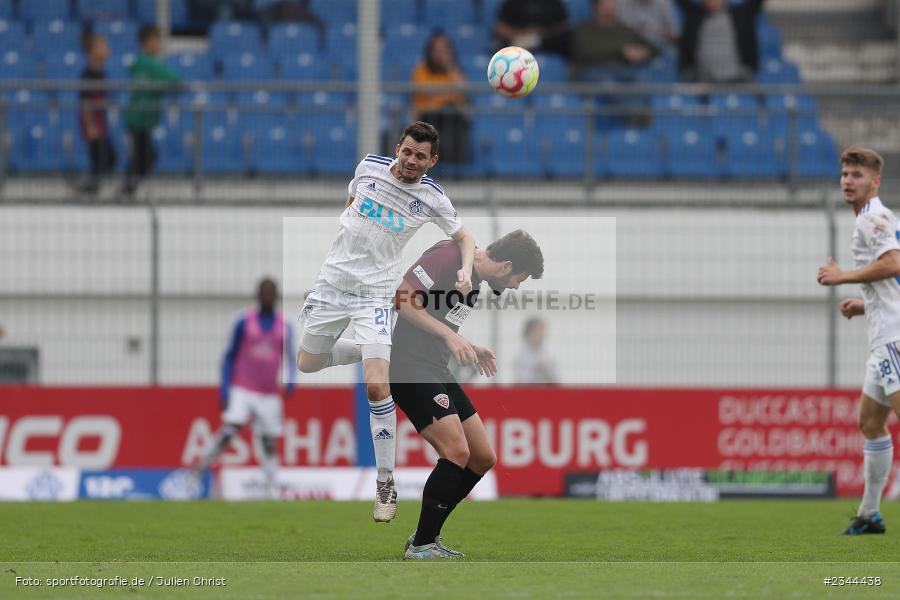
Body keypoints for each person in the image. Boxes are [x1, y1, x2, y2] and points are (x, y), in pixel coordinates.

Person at [296, 121, 476, 523]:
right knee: (306, 362)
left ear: (432, 162)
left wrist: (465, 271)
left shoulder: (432, 197)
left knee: (377, 384)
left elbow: (465, 238)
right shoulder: (368, 167)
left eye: (420, 157)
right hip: (332, 285)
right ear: (398, 148)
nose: (411, 162)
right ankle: (369, 348)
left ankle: (385, 482)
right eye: (407, 152)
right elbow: (350, 205)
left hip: (375, 295)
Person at [390, 230, 544, 559]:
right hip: (409, 370)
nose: (516, 287)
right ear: (506, 266)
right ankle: (422, 547)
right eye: (520, 279)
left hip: (435, 370)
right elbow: (401, 298)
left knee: (483, 457)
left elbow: (436, 322)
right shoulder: (449, 255)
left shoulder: (471, 282)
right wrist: (450, 337)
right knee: (456, 452)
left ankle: (425, 534)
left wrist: (469, 344)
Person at [816, 146, 900, 535]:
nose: (848, 181)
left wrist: (842, 277)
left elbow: (894, 263)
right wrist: (864, 306)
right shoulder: (874, 219)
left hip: (895, 338)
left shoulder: (873, 218)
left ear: (874, 182)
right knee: (869, 422)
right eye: (846, 174)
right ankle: (870, 514)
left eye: (857, 176)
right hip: (883, 334)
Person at [194, 278, 297, 499]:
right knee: (229, 431)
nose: (267, 297)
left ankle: (272, 489)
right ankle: (198, 472)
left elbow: (291, 356)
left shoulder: (285, 325)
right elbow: (229, 356)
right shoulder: (243, 321)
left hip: (269, 392)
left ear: (275, 296)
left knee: (269, 441)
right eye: (264, 293)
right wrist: (225, 388)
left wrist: (290, 380)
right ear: (258, 295)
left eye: (271, 293)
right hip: (243, 387)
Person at [123, 24, 181, 196]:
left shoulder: (142, 63)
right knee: (145, 155)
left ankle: (129, 186)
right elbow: (175, 78)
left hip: (145, 119)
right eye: (155, 40)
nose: (158, 44)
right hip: (138, 118)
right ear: (145, 42)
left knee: (144, 155)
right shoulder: (145, 62)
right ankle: (128, 186)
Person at [411, 32, 469, 168]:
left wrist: (449, 66)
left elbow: (463, 90)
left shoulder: (453, 71)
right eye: (437, 50)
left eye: (444, 50)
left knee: (456, 122)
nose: (440, 54)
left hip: (452, 117)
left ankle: (455, 170)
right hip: (428, 117)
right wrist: (449, 93)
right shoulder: (421, 70)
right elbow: (426, 91)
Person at [673, 0, 766, 83]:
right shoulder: (694, 15)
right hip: (701, 78)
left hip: (736, 78)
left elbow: (756, 3)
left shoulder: (741, 15)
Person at [569, 0, 658, 83]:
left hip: (621, 71)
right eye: (606, 5)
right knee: (608, 83)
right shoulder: (583, 30)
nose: (610, 9)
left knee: (640, 82)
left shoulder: (624, 30)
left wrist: (643, 52)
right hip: (590, 70)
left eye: (612, 5)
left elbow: (655, 49)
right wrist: (622, 51)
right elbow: (587, 51)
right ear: (596, 7)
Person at [78, 31, 116, 195]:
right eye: (102, 46)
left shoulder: (102, 73)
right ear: (92, 50)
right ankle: (89, 190)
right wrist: (90, 126)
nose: (107, 49)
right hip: (93, 123)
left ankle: (89, 188)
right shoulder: (88, 74)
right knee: (99, 158)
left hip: (101, 122)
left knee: (108, 157)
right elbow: (85, 103)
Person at [494, 0, 570, 57]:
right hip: (517, 45)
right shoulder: (513, 3)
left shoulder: (553, 3)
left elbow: (564, 26)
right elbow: (500, 27)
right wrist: (523, 33)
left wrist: (542, 33)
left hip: (547, 44)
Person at [513, 317, 560, 385]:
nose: (542, 334)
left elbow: (557, 380)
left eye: (543, 330)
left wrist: (545, 370)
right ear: (529, 333)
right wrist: (535, 368)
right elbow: (519, 381)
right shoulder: (520, 356)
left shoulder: (550, 354)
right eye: (538, 330)